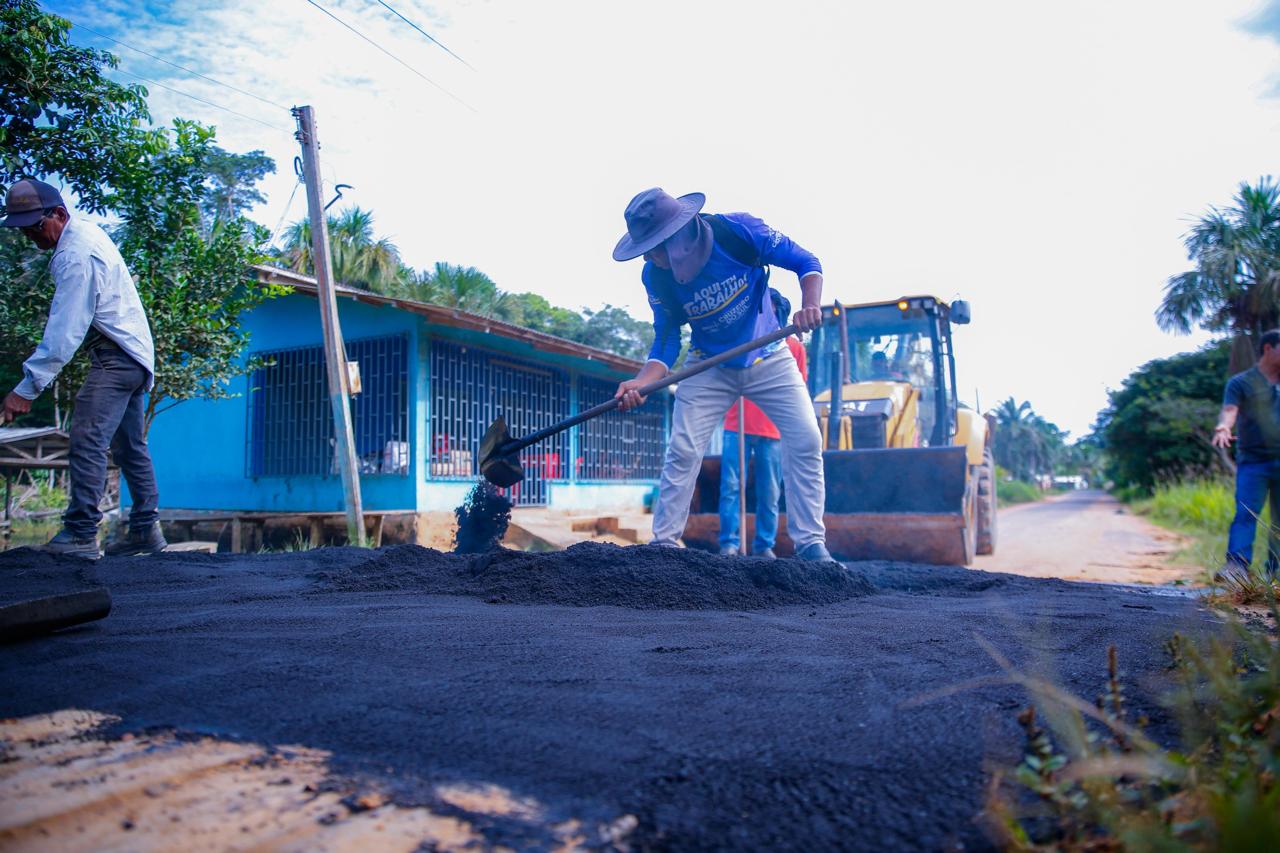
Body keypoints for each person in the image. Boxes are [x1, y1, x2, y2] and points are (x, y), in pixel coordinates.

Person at [612, 187, 835, 562]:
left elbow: (806, 262)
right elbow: (666, 339)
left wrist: (809, 305)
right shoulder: (656, 277)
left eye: (653, 248)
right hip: (709, 364)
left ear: (678, 238)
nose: (648, 257)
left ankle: (811, 544)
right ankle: (664, 545)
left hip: (768, 355)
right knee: (683, 449)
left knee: (807, 439)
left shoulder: (739, 232)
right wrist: (642, 382)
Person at [1, 178, 165, 559]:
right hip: (134, 355)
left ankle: (80, 533)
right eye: (23, 229)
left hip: (117, 357)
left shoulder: (76, 255)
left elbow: (64, 331)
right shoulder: (85, 236)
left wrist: (27, 389)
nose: (30, 236)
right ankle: (146, 529)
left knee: (87, 438)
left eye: (35, 226)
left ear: (59, 214)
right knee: (129, 445)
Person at [718, 335, 808, 558]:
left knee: (769, 492)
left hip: (771, 428)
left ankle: (764, 544)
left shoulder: (794, 346)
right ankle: (729, 543)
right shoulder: (739, 336)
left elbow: (798, 388)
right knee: (730, 487)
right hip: (736, 425)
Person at [1211, 329, 1280, 581]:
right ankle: (1236, 567)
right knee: (1246, 513)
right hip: (1253, 461)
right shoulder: (1242, 382)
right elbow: (1230, 409)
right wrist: (1223, 426)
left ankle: (1275, 574)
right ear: (1268, 348)